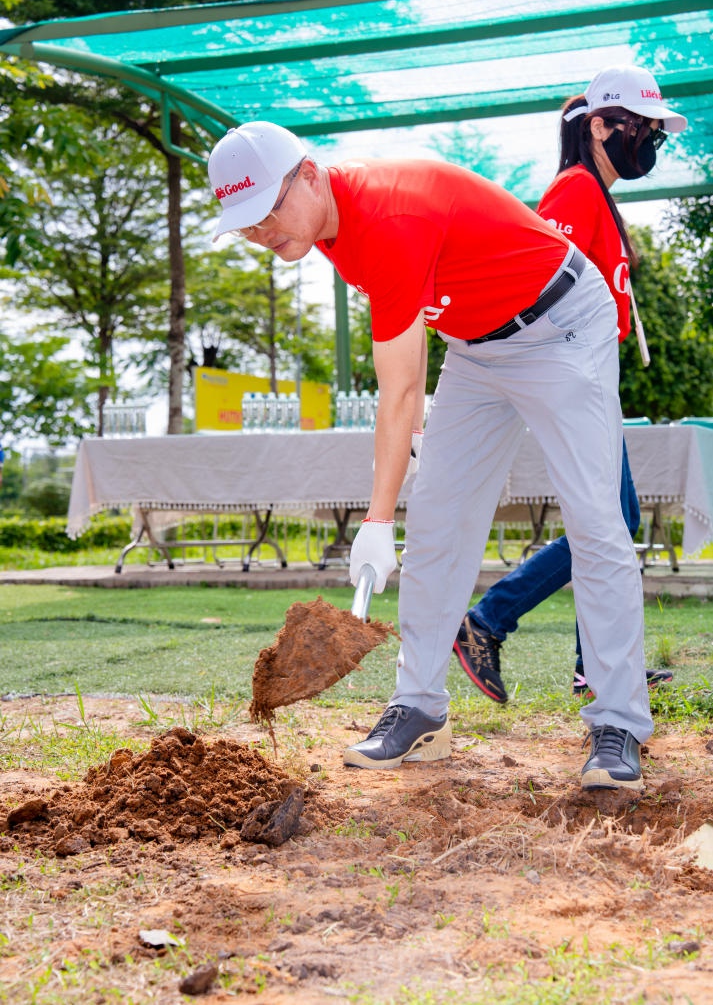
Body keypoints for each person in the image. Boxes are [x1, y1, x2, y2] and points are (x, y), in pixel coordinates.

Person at [207, 117, 653, 791]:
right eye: (246, 224)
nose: (262, 232)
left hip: (559, 322)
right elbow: (410, 361)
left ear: (307, 174)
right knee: (440, 522)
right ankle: (418, 708)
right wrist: (402, 499)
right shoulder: (317, 226)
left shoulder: (387, 215)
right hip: (475, 346)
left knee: (594, 520)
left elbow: (401, 388)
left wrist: (375, 519)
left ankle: (616, 721)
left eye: (268, 210)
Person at [452, 64, 686, 705]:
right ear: (601, 126)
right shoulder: (574, 192)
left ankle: (592, 663)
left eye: (656, 134)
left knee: (606, 517)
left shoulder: (594, 194)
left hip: (590, 384)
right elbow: (533, 285)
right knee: (613, 518)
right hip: (574, 383)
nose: (651, 144)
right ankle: (487, 619)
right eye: (642, 129)